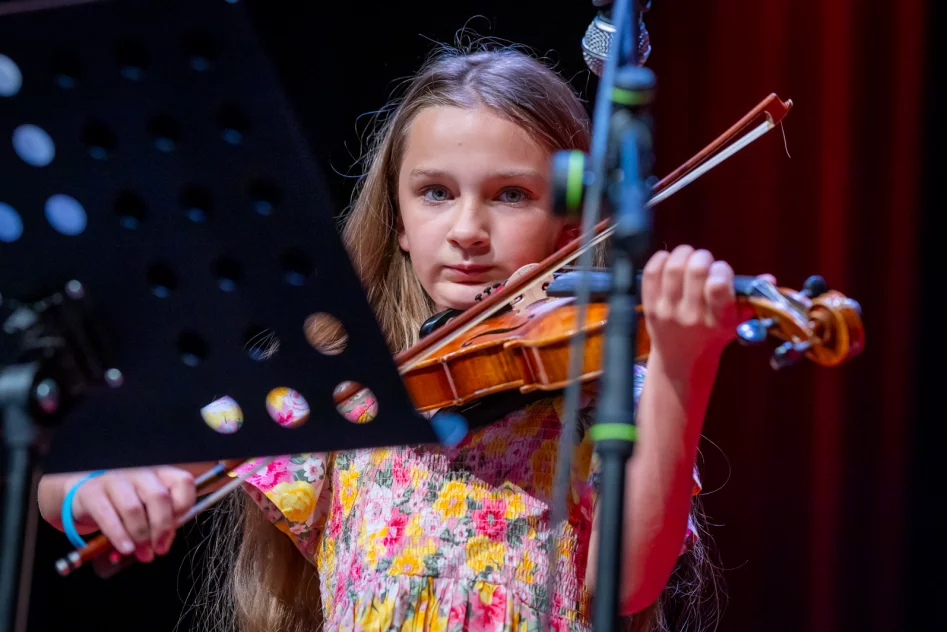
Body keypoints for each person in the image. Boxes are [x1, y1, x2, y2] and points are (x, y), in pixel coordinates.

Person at [34, 42, 766, 632]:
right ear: (402, 221)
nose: (468, 229)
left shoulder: (603, 385)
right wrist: (92, 493)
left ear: (568, 228)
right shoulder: (341, 382)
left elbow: (630, 580)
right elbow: (69, 468)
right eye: (436, 192)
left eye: (511, 195)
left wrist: (682, 366)